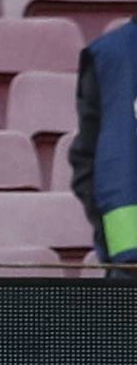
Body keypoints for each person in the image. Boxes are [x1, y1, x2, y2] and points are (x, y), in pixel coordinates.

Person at [70, 16, 137, 269]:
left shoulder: (107, 55)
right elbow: (86, 159)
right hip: (130, 268)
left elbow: (84, 163)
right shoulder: (107, 57)